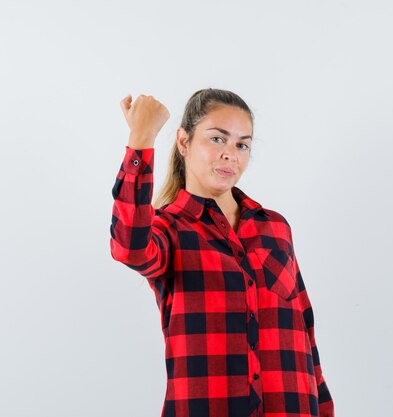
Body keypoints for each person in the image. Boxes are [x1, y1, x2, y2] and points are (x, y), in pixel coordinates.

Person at [109, 88, 335, 417]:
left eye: (242, 144)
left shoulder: (274, 228)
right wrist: (141, 138)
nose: (231, 154)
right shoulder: (169, 230)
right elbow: (129, 247)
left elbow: (305, 334)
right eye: (217, 139)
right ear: (183, 142)